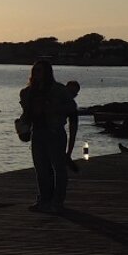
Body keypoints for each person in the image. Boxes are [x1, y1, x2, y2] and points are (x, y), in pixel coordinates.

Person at [18, 60, 75, 213]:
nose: (36, 73)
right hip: (37, 132)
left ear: (47, 72)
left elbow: (71, 107)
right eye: (34, 70)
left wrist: (55, 108)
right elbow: (26, 112)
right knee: (41, 169)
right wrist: (22, 125)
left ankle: (57, 202)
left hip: (54, 132)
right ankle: (44, 200)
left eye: (40, 70)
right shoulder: (28, 92)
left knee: (58, 168)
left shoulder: (58, 90)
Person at [64, 80, 82, 173]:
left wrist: (69, 153)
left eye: (74, 94)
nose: (71, 95)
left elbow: (73, 130)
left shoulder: (72, 106)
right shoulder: (52, 97)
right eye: (70, 92)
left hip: (57, 134)